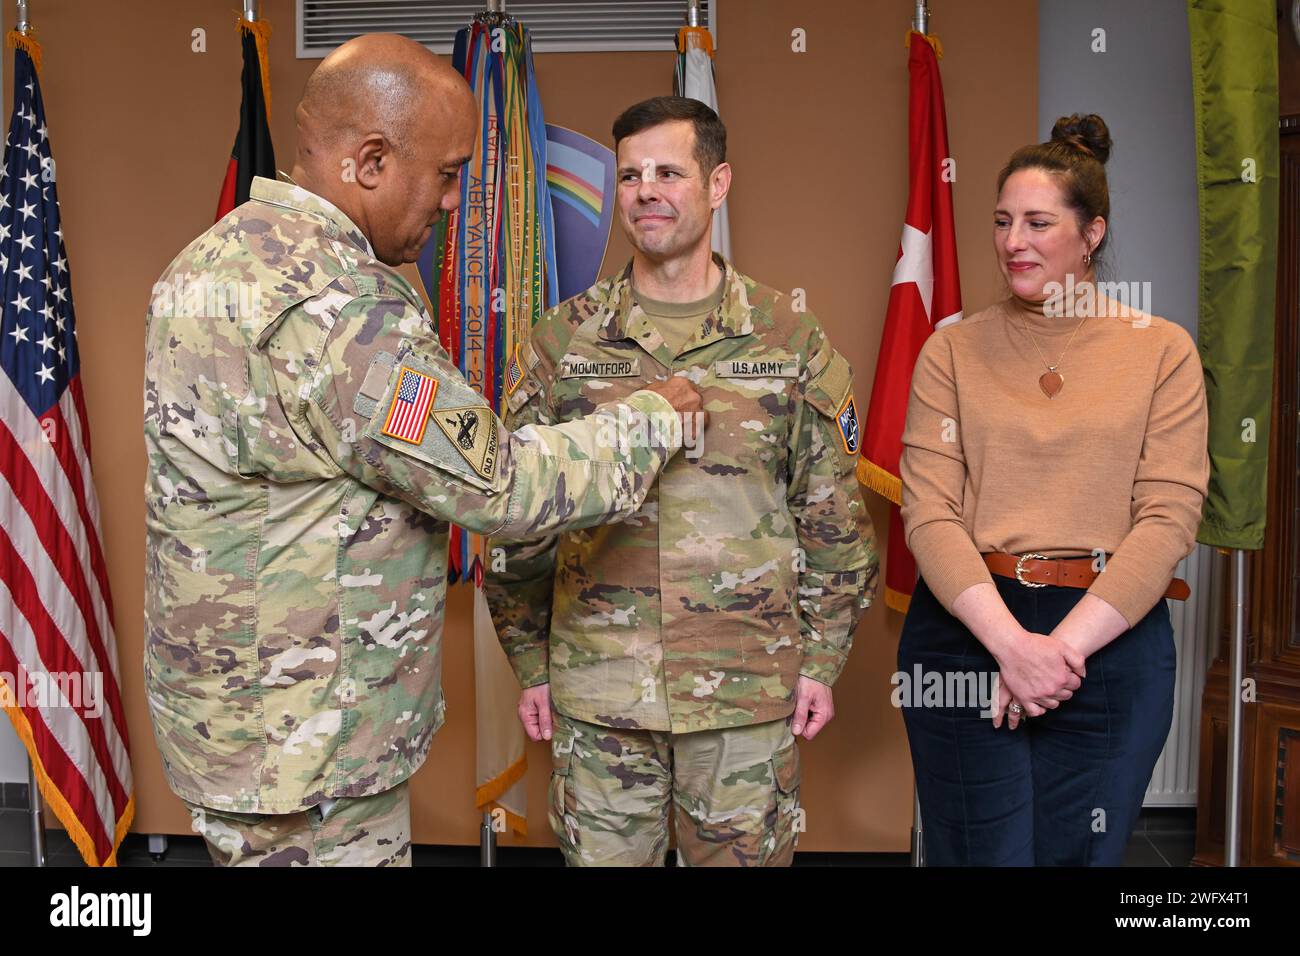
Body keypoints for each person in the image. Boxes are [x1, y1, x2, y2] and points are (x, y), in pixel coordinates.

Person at [142, 35, 701, 867]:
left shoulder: (206, 262)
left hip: (234, 730)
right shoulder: (341, 308)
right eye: (445, 174)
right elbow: (501, 486)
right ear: (370, 161)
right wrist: (649, 418)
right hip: (312, 755)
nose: (450, 203)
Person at [484, 96, 878, 867]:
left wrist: (823, 662)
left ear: (718, 182)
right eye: (630, 175)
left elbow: (833, 521)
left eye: (669, 171)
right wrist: (530, 664)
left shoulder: (787, 338)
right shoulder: (562, 341)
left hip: (744, 697)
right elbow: (515, 519)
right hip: (602, 698)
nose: (645, 191)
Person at [897, 113, 1210, 866]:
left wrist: (1056, 653)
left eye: (1038, 222)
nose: (1012, 242)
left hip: (1108, 641)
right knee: (978, 855)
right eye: (1003, 221)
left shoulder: (1162, 351)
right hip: (968, 634)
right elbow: (929, 511)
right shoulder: (953, 348)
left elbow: (1168, 518)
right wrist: (1011, 647)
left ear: (1092, 233)